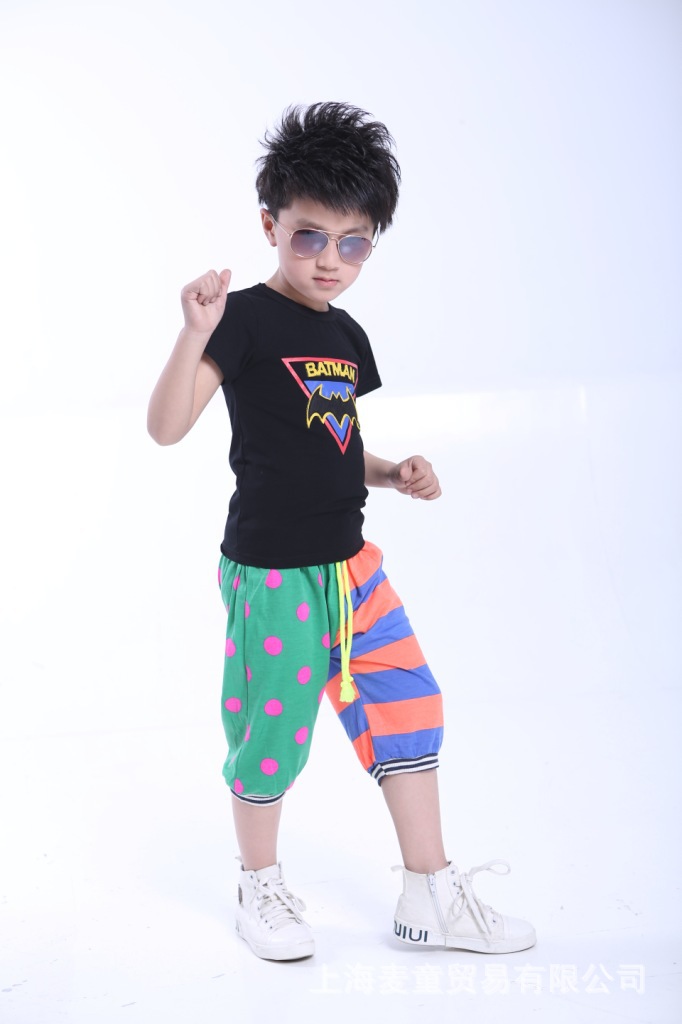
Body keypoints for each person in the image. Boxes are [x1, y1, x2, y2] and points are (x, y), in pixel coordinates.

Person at [147, 102, 535, 961]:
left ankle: (430, 894)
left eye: (353, 244)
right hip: (273, 572)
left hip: (353, 567)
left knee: (409, 704)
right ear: (270, 225)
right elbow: (166, 428)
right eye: (310, 237)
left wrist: (390, 473)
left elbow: (333, 442)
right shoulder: (241, 319)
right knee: (272, 733)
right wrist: (193, 334)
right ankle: (259, 886)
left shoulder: (346, 335)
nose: (330, 260)